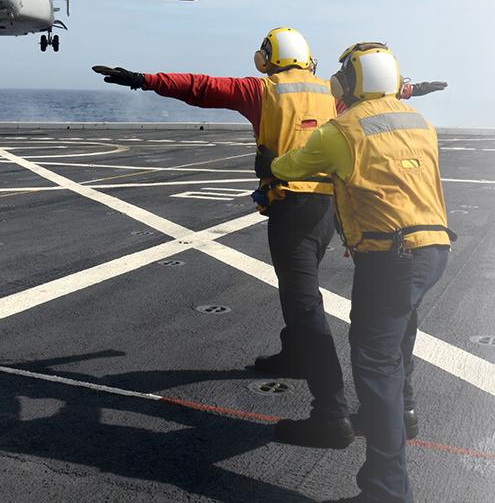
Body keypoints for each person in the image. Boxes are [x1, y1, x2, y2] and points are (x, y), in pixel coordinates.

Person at [91, 27, 355, 448]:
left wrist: (143, 79)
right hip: (327, 212)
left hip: (292, 209)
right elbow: (371, 100)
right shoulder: (331, 92)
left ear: (266, 58)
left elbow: (201, 88)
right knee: (298, 292)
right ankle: (294, 356)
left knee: (304, 304)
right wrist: (409, 88)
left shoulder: (263, 90)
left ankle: (332, 413)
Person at [270, 42, 454, 503]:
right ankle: (402, 411)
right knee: (399, 337)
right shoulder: (421, 123)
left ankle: (387, 490)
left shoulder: (343, 130)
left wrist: (271, 166)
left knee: (374, 364)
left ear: (349, 83)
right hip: (433, 249)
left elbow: (289, 165)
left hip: (391, 257)